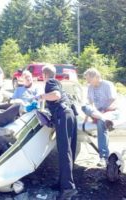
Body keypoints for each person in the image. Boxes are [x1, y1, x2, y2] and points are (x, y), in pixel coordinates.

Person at [37, 64, 77, 200]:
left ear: (44, 75)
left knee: (64, 151)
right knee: (68, 150)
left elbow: (56, 95)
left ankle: (67, 188)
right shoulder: (58, 82)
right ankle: (63, 183)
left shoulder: (50, 82)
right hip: (69, 114)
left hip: (63, 115)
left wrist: (42, 96)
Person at [82, 68, 119, 167]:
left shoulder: (107, 84)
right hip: (98, 114)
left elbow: (113, 101)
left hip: (110, 111)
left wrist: (103, 111)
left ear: (96, 77)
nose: (87, 81)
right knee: (84, 107)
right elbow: (90, 104)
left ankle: (103, 157)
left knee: (100, 123)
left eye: (89, 79)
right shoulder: (90, 87)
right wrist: (86, 119)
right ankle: (103, 119)